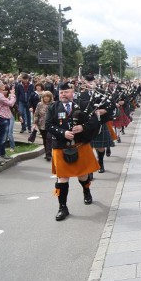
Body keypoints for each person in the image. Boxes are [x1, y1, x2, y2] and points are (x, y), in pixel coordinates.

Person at [46, 82, 104, 221]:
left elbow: (95, 123)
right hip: (60, 146)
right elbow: (48, 125)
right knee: (62, 177)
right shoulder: (53, 107)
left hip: (79, 145)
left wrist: (83, 128)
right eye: (61, 92)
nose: (63, 95)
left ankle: (86, 190)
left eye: (66, 92)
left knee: (82, 175)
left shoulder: (83, 105)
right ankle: (62, 207)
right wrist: (63, 132)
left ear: (72, 92)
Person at [79, 75, 115, 174]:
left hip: (100, 122)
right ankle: (90, 168)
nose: (90, 83)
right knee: (88, 147)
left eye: (92, 81)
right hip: (87, 124)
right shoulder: (82, 95)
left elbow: (112, 105)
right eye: (88, 81)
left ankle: (101, 162)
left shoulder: (103, 93)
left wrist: (105, 110)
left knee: (100, 146)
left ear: (95, 82)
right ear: (85, 83)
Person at [0, 81, 16, 163]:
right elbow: (10, 103)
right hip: (2, 117)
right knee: (1, 138)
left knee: (4, 137)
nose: (4, 86)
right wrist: (13, 95)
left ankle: (2, 154)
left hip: (5, 116)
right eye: (2, 85)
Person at [33, 90, 54, 161]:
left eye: (48, 97)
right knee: (45, 139)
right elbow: (36, 114)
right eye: (45, 97)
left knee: (49, 138)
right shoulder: (39, 104)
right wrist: (35, 123)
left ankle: (49, 154)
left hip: (51, 124)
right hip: (41, 124)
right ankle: (47, 152)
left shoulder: (53, 104)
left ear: (50, 97)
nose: (46, 98)